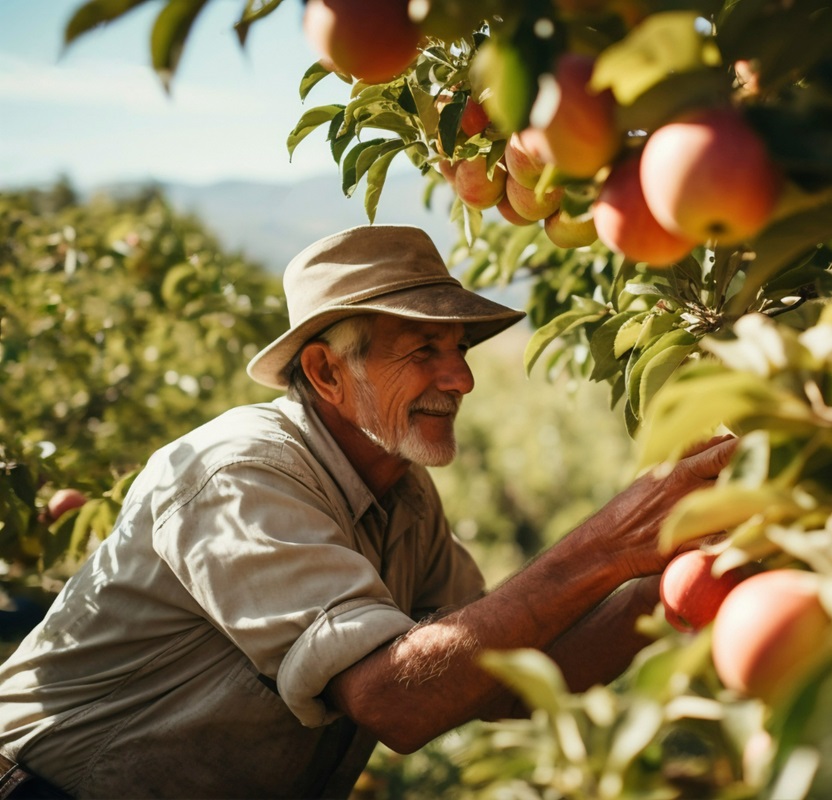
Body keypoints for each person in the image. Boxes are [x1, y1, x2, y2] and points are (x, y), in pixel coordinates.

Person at [0, 225, 735, 798]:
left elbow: (504, 680)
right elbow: (395, 701)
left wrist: (672, 579)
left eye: (458, 347)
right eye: (424, 349)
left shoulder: (404, 497)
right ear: (325, 372)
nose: (462, 377)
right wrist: (615, 542)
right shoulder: (241, 475)